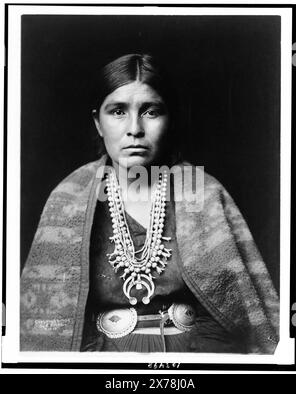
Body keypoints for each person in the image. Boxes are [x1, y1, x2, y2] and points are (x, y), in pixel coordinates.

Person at [20, 54, 279, 353]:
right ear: (98, 123)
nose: (135, 128)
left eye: (151, 111)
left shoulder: (203, 193)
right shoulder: (69, 198)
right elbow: (45, 327)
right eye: (118, 111)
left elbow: (240, 314)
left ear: (170, 119)